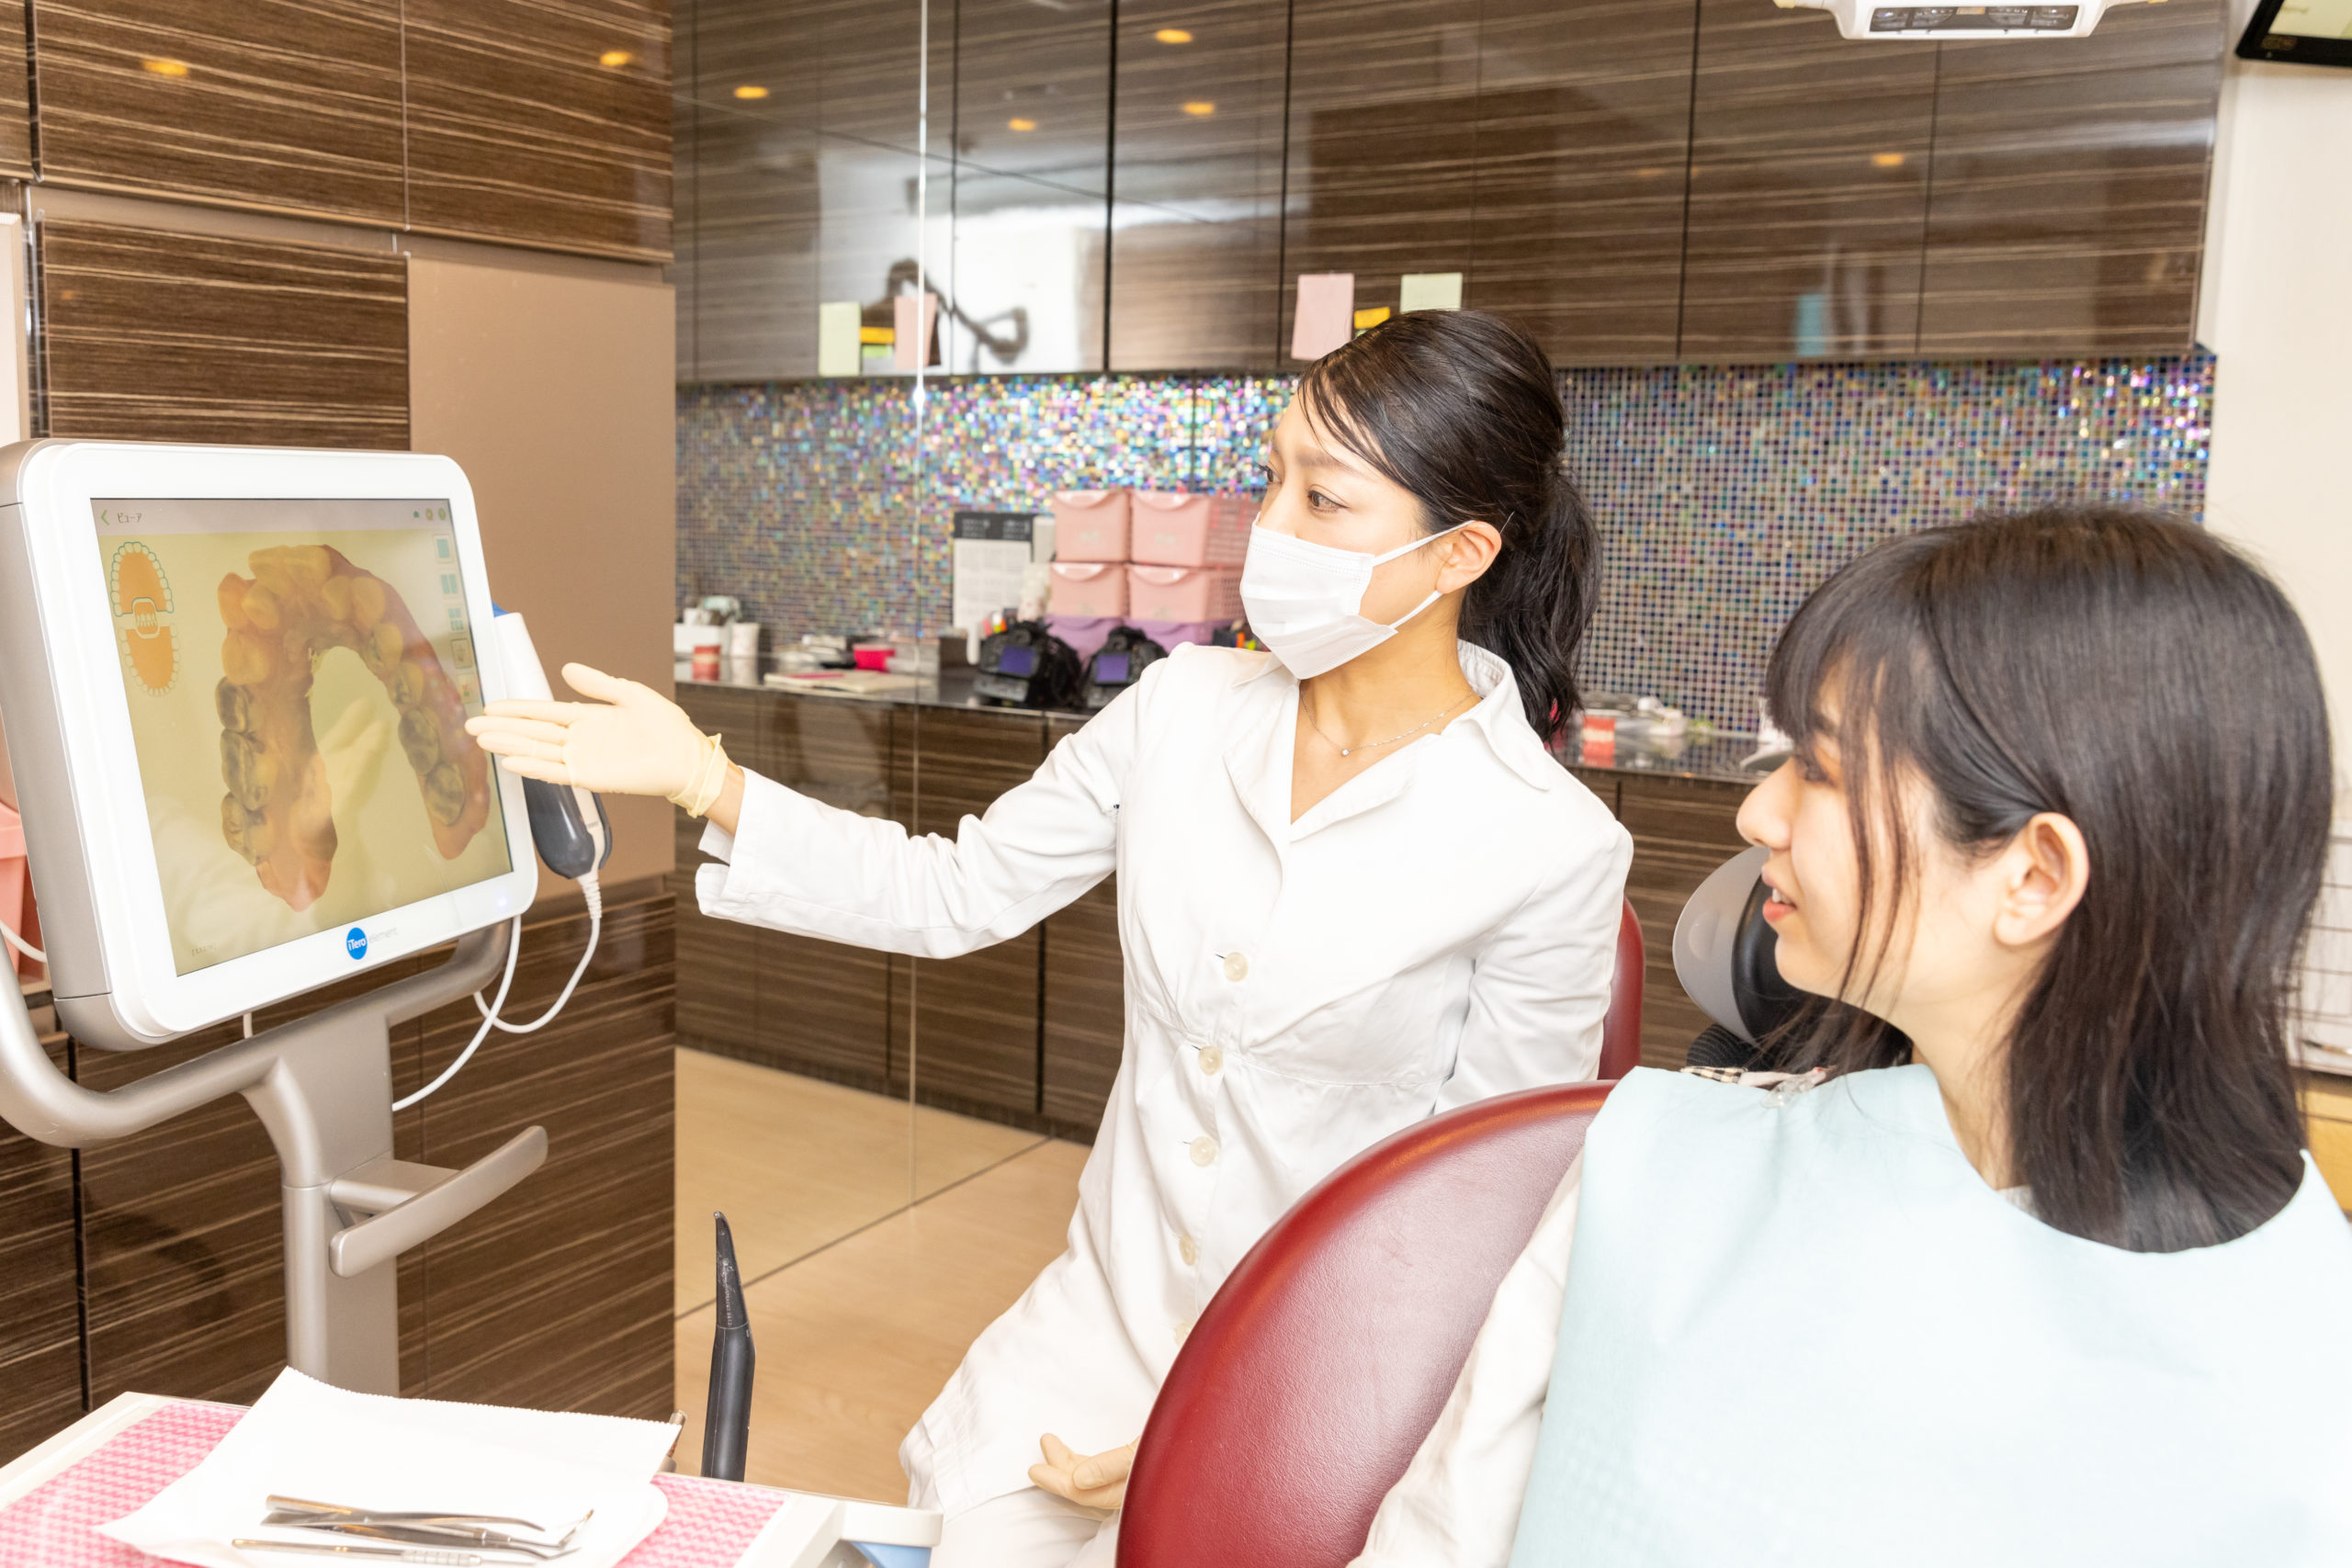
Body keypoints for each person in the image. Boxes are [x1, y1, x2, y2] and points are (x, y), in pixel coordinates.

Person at [468, 310, 1635, 1567]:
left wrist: (1235, 1418)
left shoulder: (1547, 844)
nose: (1269, 525)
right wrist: (707, 780)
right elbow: (952, 890)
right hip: (1097, 1334)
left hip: (1324, 1382)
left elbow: (1475, 1230)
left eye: (1324, 497)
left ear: (1458, 551)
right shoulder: (1181, 709)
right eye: (1271, 477)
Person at [1351, 507, 2352, 1568]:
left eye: (1818, 769)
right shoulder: (1654, 1169)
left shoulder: (2291, 1349)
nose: (1757, 816)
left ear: (2032, 875)